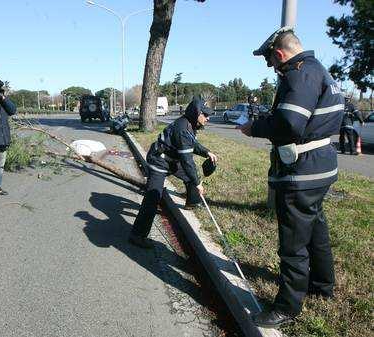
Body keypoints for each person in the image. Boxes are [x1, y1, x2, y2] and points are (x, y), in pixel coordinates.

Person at [238, 27, 344, 328]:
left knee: (293, 243)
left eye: (272, 62)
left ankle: (287, 307)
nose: (274, 68)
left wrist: (255, 127)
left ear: (280, 54)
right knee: (316, 230)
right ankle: (322, 286)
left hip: (302, 173)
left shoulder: (299, 74)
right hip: (321, 168)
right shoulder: (319, 69)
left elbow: (289, 124)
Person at [129, 97, 217, 249]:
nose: (208, 118)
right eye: (206, 115)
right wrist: (198, 183)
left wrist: (207, 152)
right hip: (159, 160)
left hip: (172, 160)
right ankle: (137, 235)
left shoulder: (189, 124)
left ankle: (192, 203)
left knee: (191, 179)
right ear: (197, 113)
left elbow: (193, 144)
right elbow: (187, 162)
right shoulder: (182, 129)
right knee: (153, 196)